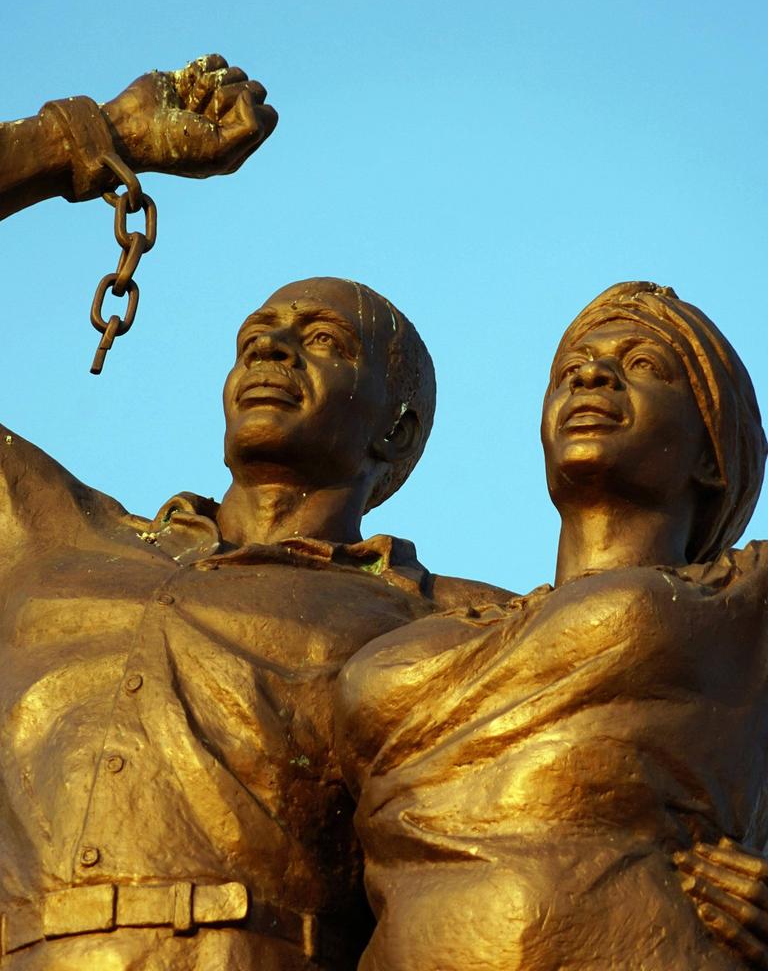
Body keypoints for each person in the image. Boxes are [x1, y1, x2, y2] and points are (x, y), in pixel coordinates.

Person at [0, 60, 511, 970]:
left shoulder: (454, 626)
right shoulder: (51, 535)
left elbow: (648, 729)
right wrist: (89, 140)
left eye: (322, 340)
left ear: (396, 429)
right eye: (254, 337)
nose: (271, 344)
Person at [337, 282, 768, 970]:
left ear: (713, 452)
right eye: (571, 371)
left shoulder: (738, 602)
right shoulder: (429, 614)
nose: (593, 375)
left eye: (644, 365)